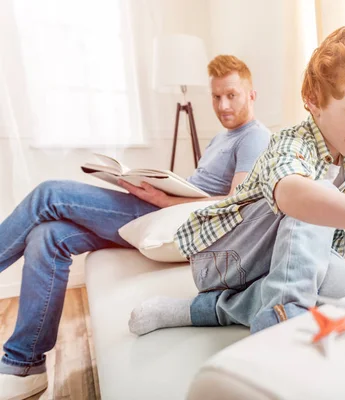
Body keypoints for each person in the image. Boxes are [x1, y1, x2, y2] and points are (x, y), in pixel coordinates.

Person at [128, 25, 345, 337]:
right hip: (222, 258)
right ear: (313, 101)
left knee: (339, 281)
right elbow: (292, 192)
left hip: (266, 268)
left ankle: (207, 309)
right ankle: (283, 317)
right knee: (315, 192)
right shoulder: (291, 142)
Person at [0, 55, 270, 400]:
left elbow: (232, 206)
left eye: (231, 95)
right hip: (163, 213)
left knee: (49, 194)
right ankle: (24, 365)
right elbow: (203, 189)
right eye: (216, 97)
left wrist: (161, 200)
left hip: (176, 223)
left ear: (252, 95)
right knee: (48, 236)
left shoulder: (254, 138)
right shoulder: (223, 138)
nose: (223, 105)